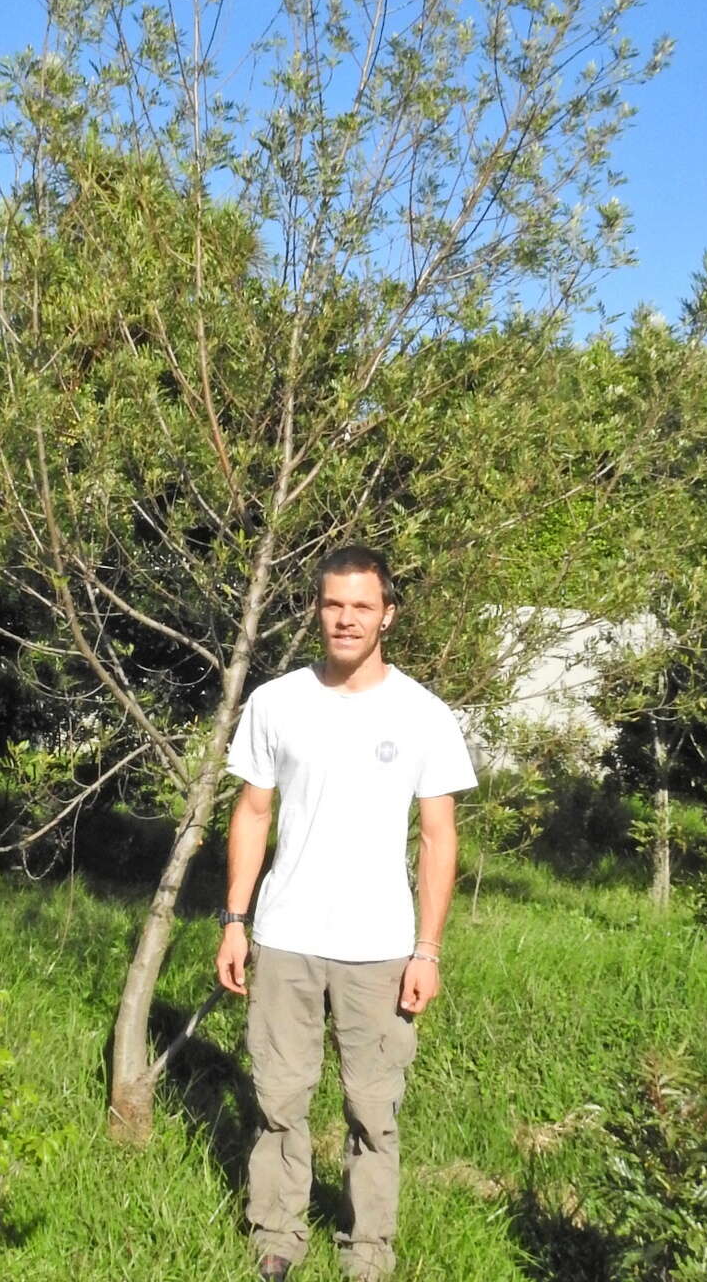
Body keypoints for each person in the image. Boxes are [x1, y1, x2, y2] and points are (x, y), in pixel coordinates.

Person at [216, 544, 477, 1281]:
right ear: (316, 610)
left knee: (373, 1108)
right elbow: (252, 814)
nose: (346, 618)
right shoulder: (276, 702)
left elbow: (437, 835)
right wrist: (234, 921)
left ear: (387, 613)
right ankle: (278, 1236)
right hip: (286, 936)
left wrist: (427, 949)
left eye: (362, 606)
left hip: (381, 946)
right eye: (334, 604)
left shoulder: (424, 714)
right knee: (279, 1097)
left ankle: (368, 1251)